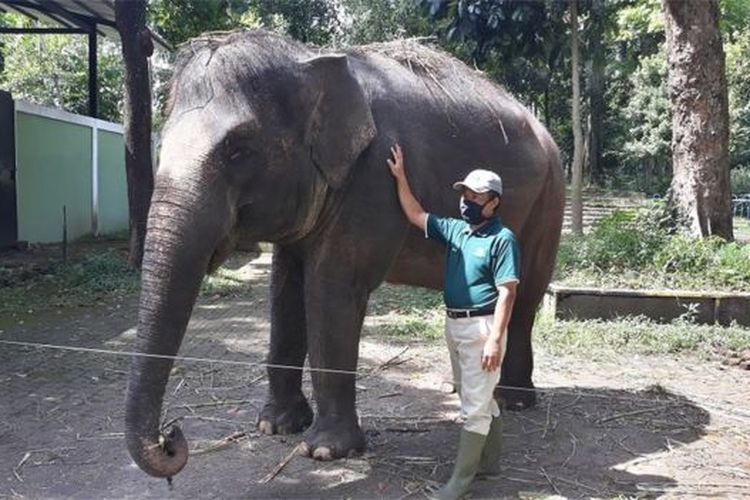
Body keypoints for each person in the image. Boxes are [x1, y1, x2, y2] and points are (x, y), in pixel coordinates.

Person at [387, 144, 520, 499]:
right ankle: (489, 466)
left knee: (474, 405)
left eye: (476, 196)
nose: (467, 201)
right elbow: (416, 215)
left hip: (483, 328)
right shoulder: (456, 230)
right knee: (474, 394)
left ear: (494, 202)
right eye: (465, 193)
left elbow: (507, 292)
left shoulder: (502, 240)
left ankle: (458, 485)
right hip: (455, 324)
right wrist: (401, 177)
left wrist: (495, 339)